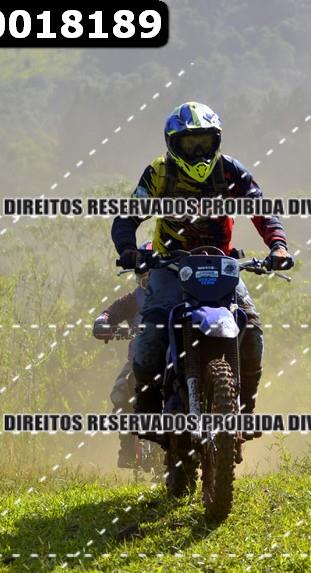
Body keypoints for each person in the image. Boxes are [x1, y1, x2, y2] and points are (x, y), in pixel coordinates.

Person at [111, 101, 293, 429]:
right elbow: (127, 217)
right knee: (151, 335)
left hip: (222, 264)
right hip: (169, 266)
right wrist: (128, 250)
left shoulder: (230, 170)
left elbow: (262, 209)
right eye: (189, 143)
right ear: (173, 143)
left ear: (216, 140)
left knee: (252, 330)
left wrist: (278, 246)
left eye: (204, 142)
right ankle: (148, 412)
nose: (197, 152)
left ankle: (245, 410)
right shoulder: (159, 172)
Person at [92, 267, 149, 467]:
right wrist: (102, 323)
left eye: (157, 276)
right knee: (120, 390)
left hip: (175, 361)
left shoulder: (179, 296)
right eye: (146, 278)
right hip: (139, 361)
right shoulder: (132, 300)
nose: (151, 283)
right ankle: (127, 450)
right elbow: (107, 315)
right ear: (139, 278)